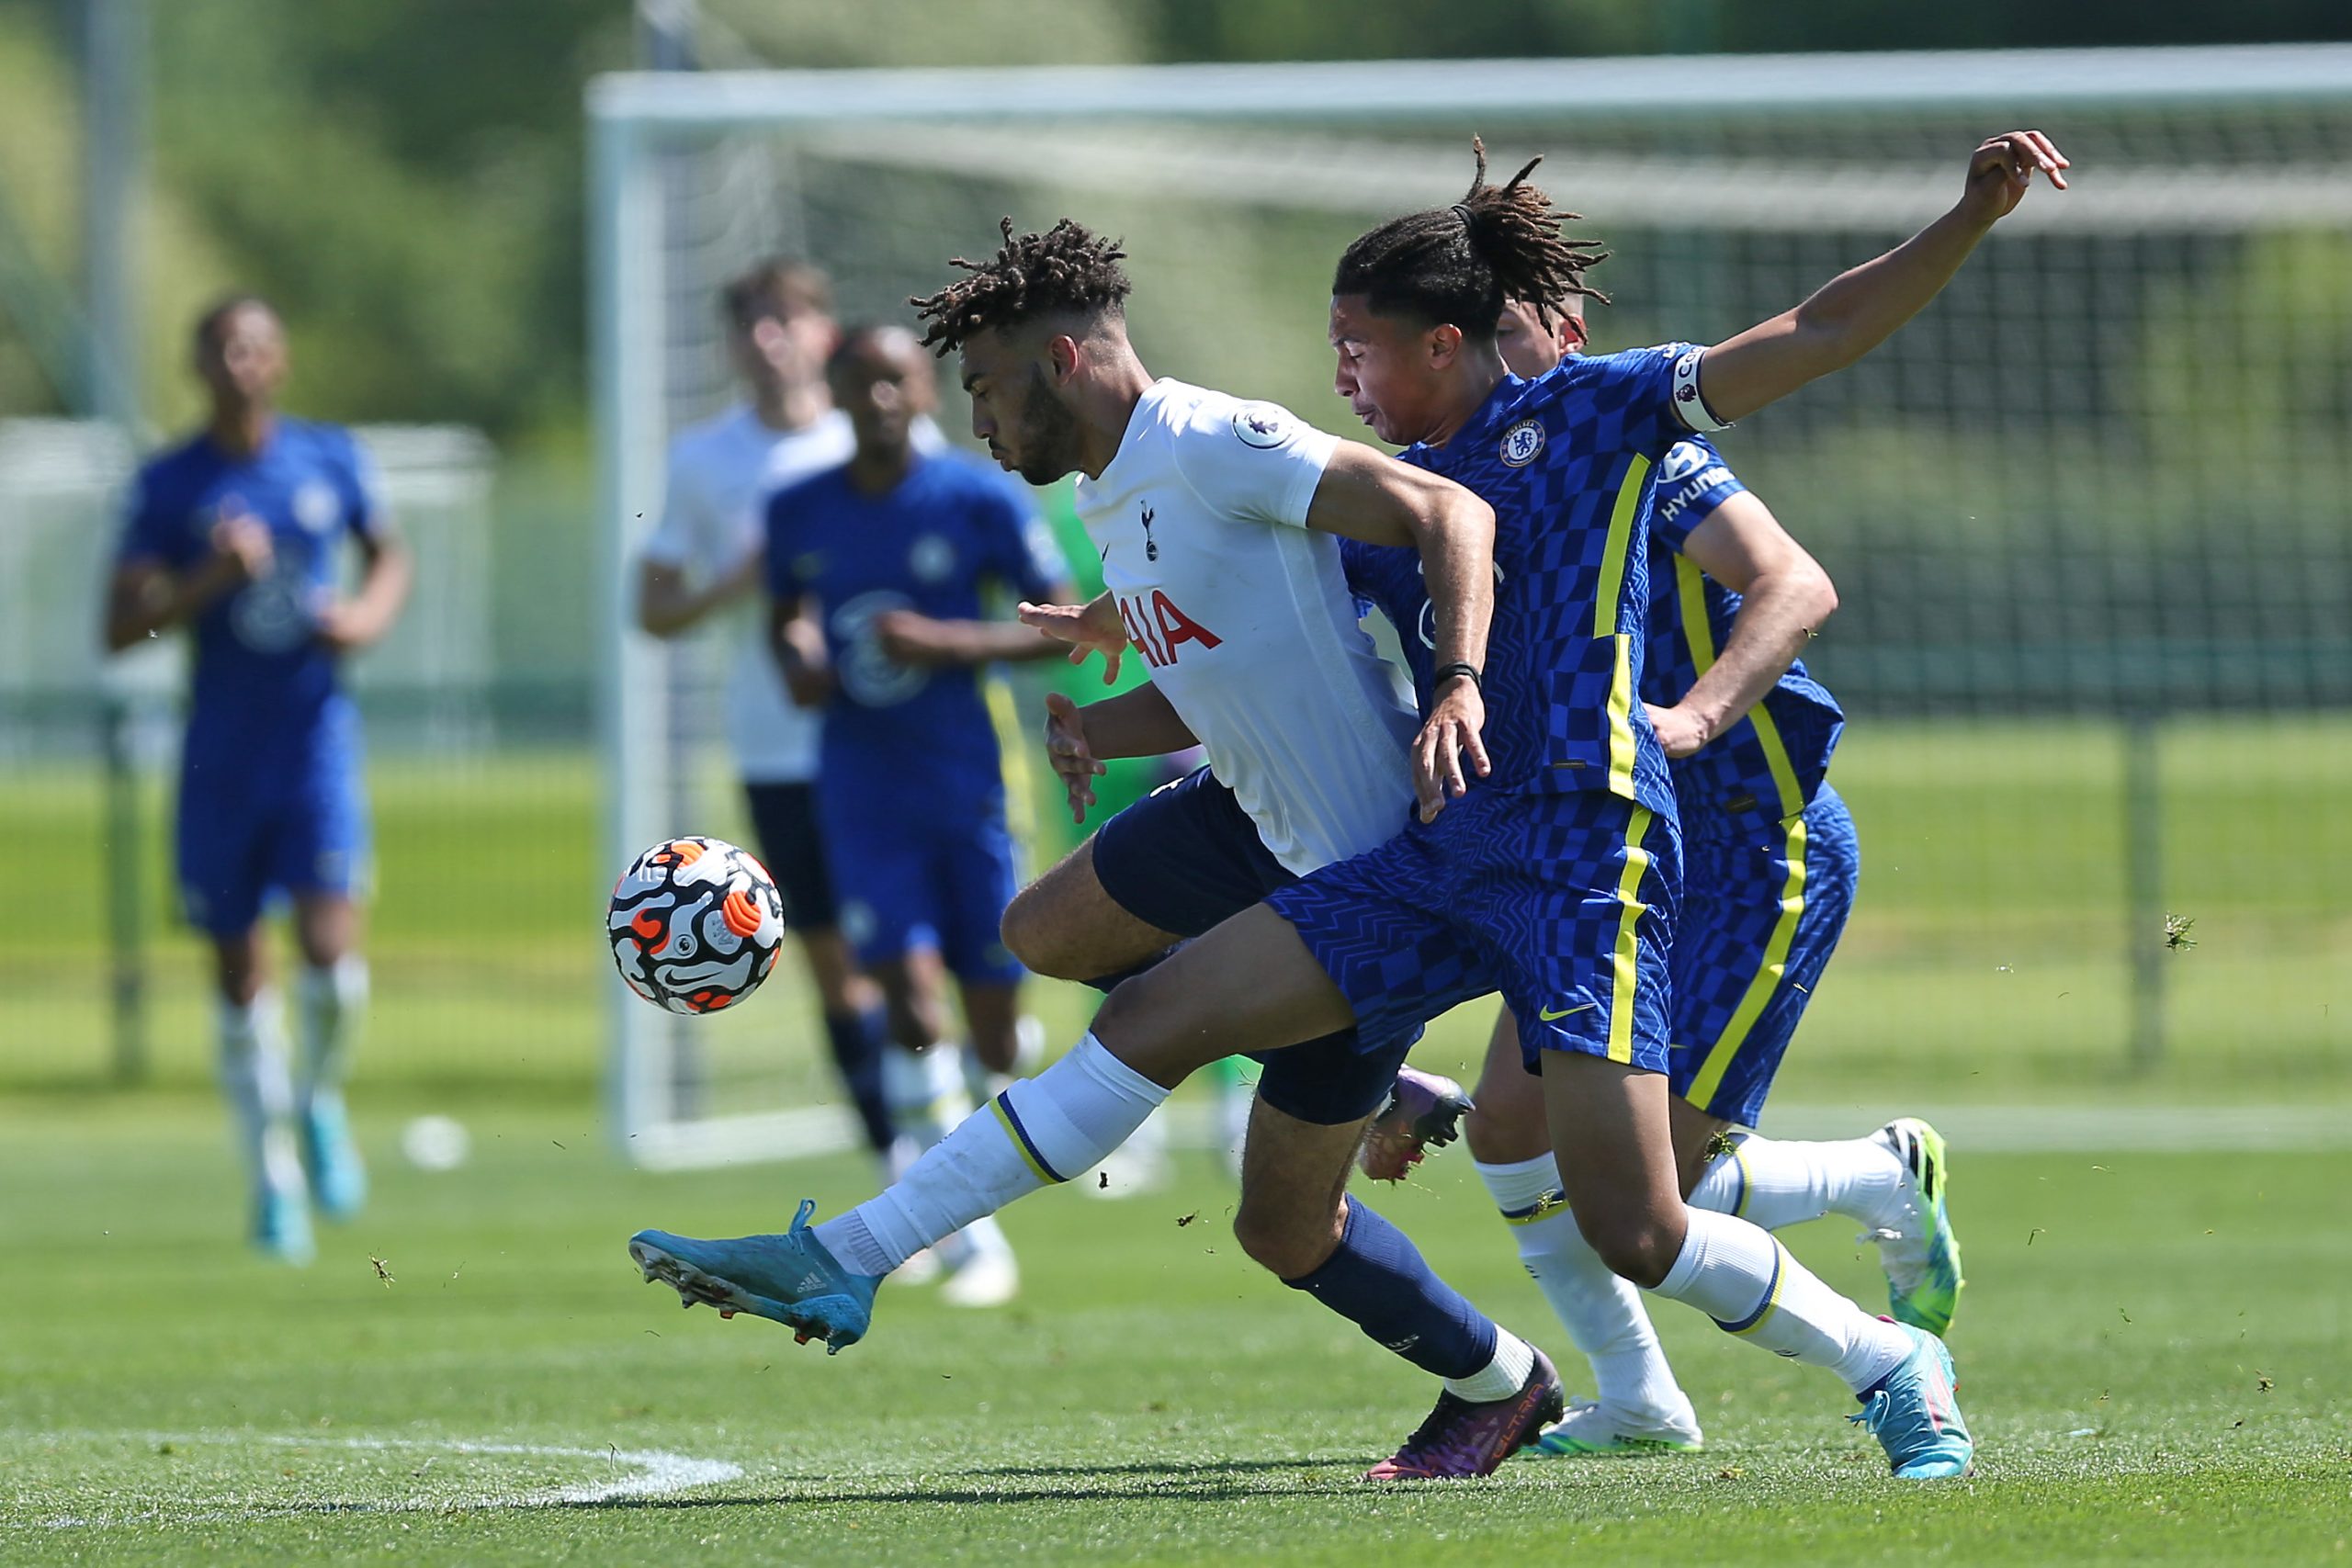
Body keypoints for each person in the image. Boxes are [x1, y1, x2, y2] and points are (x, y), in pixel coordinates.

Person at [627, 128, 2064, 1483]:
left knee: (1635, 1219)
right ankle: (856, 1253)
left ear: (1446, 339)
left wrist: (1966, 217)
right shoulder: (1394, 497)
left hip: (1589, 853)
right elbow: (1286, 648)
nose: (1341, 374)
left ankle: (1888, 1357)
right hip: (1441, 849)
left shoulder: (1604, 410)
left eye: (1358, 347)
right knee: (1153, 1015)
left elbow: (1809, 336)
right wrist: (1119, 662)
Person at [642, 220, 1566, 1481]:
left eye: (983, 387)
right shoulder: (1106, 485)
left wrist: (1457, 681)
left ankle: (849, 1254)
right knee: (1047, 931)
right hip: (1254, 820)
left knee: (1251, 1185)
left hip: (1363, 877)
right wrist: (1105, 711)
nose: (973, 417)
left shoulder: (1213, 441)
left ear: (1063, 360)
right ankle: (1507, 1373)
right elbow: (1223, 660)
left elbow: (1448, 507)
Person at [1354, 293, 1961, 1460]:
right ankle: (1638, 1399)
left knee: (1642, 1194)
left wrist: (1692, 716)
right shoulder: (1434, 477)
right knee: (1516, 1141)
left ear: (1560, 336)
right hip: (1600, 847)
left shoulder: (1628, 445)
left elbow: (1797, 584)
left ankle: (1879, 1177)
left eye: (1513, 330)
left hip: (1747, 839)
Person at [759, 322, 1081, 1307]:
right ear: (835, 396)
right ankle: (964, 1232)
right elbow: (787, 615)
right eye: (857, 385)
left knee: (993, 1027)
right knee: (905, 999)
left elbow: (1062, 626)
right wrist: (801, 656)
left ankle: (981, 1120)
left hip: (969, 786)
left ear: (926, 393)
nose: (879, 401)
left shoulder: (976, 497)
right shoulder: (798, 509)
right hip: (859, 788)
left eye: (895, 382)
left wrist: (943, 641)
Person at [104, 296, 412, 1262]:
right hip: (218, 760)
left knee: (334, 969)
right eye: (222, 348)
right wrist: (206, 580)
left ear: (278, 362)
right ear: (200, 366)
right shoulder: (170, 482)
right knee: (241, 982)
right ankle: (271, 1180)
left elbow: (389, 554)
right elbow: (118, 629)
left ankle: (317, 1100)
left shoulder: (326, 458)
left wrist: (364, 619)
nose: (240, 363)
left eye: (256, 347)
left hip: (314, 744)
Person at [633, 259, 900, 1173]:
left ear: (825, 335)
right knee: (830, 956)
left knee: (916, 950)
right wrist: (736, 582)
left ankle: (956, 1124)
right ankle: (892, 1159)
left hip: (892, 735)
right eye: (750, 321)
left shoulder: (876, 441)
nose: (767, 337)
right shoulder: (704, 460)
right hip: (776, 743)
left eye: (786, 318)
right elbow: (653, 607)